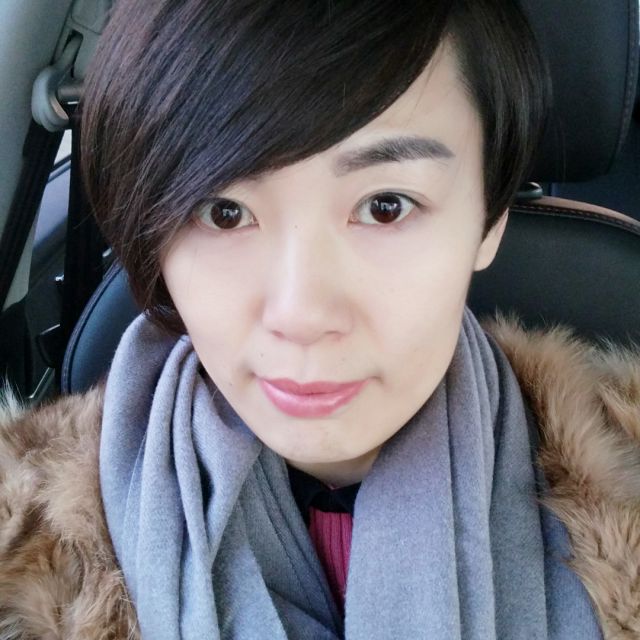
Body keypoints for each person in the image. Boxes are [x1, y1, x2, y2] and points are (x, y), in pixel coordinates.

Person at [1, 1, 639, 638]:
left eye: (386, 206)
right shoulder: (22, 532)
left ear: (489, 217)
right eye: (223, 212)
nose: (301, 315)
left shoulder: (626, 482)